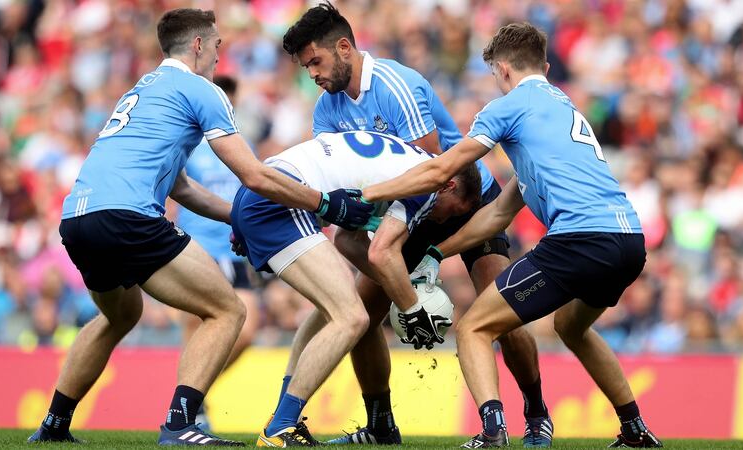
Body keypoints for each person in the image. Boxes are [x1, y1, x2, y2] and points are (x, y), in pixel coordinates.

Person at [27, 8, 375, 446]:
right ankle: (180, 424)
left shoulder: (143, 88)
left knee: (120, 314)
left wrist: (238, 219)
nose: (218, 55)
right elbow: (255, 175)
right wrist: (326, 203)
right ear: (198, 45)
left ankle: (54, 424)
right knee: (228, 311)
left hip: (78, 217)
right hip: (128, 217)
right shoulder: (200, 89)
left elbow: (182, 188)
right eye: (216, 46)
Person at [362, 23, 663, 449]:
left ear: (502, 70)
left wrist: (368, 193)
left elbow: (441, 168)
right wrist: (436, 252)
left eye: (494, 75)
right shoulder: (561, 109)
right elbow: (499, 213)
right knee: (571, 326)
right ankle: (634, 428)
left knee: (473, 329)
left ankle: (492, 432)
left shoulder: (508, 107)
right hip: (628, 239)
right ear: (545, 67)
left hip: (580, 238)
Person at [280, 3, 551, 447]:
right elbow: (334, 181)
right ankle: (381, 425)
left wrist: (407, 277)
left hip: (462, 197)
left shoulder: (395, 85)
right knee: (358, 315)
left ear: (344, 47)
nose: (312, 74)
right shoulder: (327, 110)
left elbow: (427, 171)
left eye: (315, 61)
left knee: (501, 310)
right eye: (306, 66)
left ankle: (536, 413)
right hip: (404, 210)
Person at [230, 131, 480, 447]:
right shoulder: (430, 181)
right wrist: (414, 308)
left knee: (334, 312)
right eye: (453, 211)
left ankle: (281, 419)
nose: (442, 220)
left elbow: (349, 241)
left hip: (264, 191)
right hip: (281, 199)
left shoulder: (401, 167)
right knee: (352, 318)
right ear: (450, 186)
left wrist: (399, 286)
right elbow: (382, 253)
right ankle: (280, 427)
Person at [174, 75, 260, 430]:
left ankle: (194, 393)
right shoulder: (190, 144)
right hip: (197, 248)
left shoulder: (243, 144)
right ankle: (188, 409)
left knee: (248, 330)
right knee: (195, 329)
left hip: (234, 251)